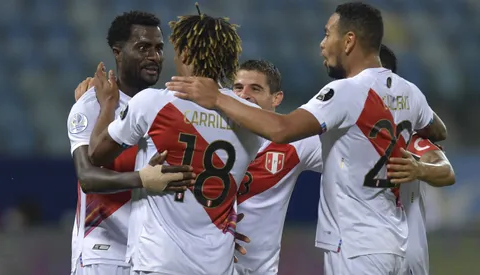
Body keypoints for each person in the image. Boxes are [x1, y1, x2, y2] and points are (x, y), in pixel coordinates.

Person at [166, 2, 448, 274]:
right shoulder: (410, 92)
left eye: (327, 34)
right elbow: (438, 131)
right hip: (393, 242)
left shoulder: (345, 92)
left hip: (354, 243)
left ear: (348, 41)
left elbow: (282, 130)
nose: (322, 44)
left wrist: (216, 97)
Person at [86, 8, 264, 275]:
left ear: (185, 53)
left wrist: (108, 103)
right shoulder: (253, 120)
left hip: (159, 261)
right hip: (218, 264)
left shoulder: (153, 103)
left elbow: (97, 155)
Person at [67, 11, 195, 275]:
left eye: (159, 48)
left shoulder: (168, 105)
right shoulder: (90, 106)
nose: (154, 57)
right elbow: (88, 177)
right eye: (143, 47)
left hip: (154, 255)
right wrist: (143, 178)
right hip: (103, 252)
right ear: (118, 52)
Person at [231, 59, 323, 274]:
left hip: (258, 270)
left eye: (255, 89)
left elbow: (352, 159)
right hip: (207, 263)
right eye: (238, 88)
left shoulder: (295, 142)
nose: (244, 95)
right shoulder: (208, 135)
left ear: (276, 98)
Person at [380, 45, 456, 275]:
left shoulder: (408, 137)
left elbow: (447, 172)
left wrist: (419, 169)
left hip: (406, 258)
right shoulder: (347, 135)